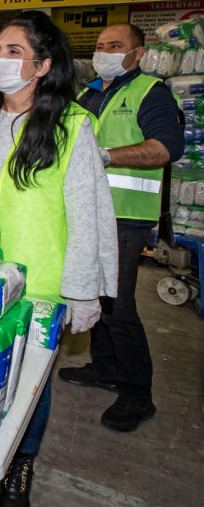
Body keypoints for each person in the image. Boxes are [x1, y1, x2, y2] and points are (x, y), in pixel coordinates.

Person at [0, 11, 117, 507]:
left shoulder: (71, 126)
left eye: (13, 51)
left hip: (38, 284)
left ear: (42, 65)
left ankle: (21, 464)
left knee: (29, 388)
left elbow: (87, 216)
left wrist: (83, 292)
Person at [58, 23, 184, 433]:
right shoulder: (89, 93)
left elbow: (165, 148)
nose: (105, 52)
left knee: (118, 305)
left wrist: (107, 155)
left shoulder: (151, 92)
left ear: (138, 53)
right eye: (100, 46)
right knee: (95, 291)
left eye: (115, 46)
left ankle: (137, 394)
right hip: (88, 210)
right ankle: (105, 367)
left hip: (126, 215)